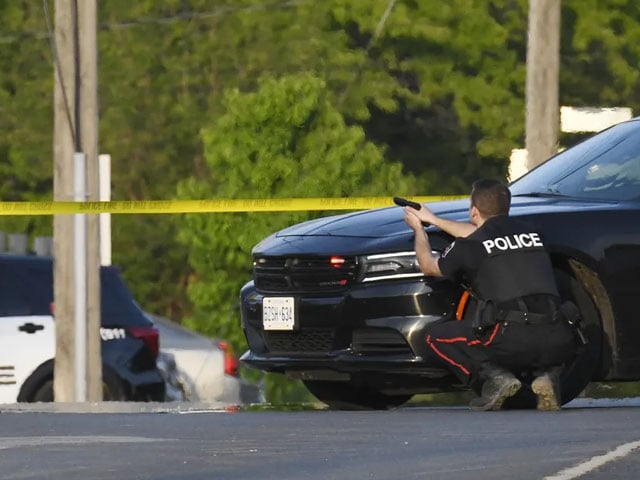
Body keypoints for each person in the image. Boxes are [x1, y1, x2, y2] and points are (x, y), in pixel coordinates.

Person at [403, 178, 578, 411]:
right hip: (559, 336)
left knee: (435, 337)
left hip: (509, 338)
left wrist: (419, 230)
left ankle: (495, 379)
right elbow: (483, 235)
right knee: (555, 326)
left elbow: (428, 265)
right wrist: (434, 219)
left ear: (474, 210)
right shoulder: (534, 232)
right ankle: (547, 375)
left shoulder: (469, 247)